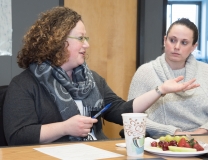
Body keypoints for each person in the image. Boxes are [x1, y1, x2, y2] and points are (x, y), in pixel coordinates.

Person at [3, 7, 199, 146]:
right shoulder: (25, 84)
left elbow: (121, 111)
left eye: (85, 38)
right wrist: (64, 128)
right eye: (80, 38)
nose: (86, 44)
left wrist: (161, 90)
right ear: (58, 41)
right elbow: (18, 136)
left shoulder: (92, 80)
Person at [128, 18, 208, 137]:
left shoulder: (205, 71)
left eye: (184, 43)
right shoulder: (145, 72)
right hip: (160, 141)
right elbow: (131, 117)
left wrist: (202, 131)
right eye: (172, 40)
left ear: (193, 47)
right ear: (165, 40)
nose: (176, 46)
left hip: (202, 139)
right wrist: (173, 132)